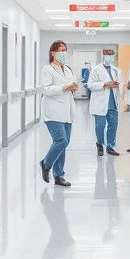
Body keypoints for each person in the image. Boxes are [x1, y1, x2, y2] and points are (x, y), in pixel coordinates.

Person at [39, 40, 79, 187]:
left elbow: (72, 84)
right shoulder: (47, 69)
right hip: (53, 112)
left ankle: (59, 175)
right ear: (53, 53)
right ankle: (46, 163)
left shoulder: (67, 69)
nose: (63, 53)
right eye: (61, 51)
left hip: (67, 112)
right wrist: (65, 87)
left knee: (64, 144)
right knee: (61, 140)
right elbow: (46, 89)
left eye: (65, 50)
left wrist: (73, 86)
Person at [87, 48, 123, 157]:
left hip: (113, 102)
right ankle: (99, 145)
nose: (110, 57)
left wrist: (118, 84)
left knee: (113, 125)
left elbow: (121, 83)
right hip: (100, 103)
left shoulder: (116, 70)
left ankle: (110, 147)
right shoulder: (95, 69)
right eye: (108, 55)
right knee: (100, 125)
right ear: (103, 55)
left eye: (112, 55)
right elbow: (90, 85)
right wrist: (105, 84)